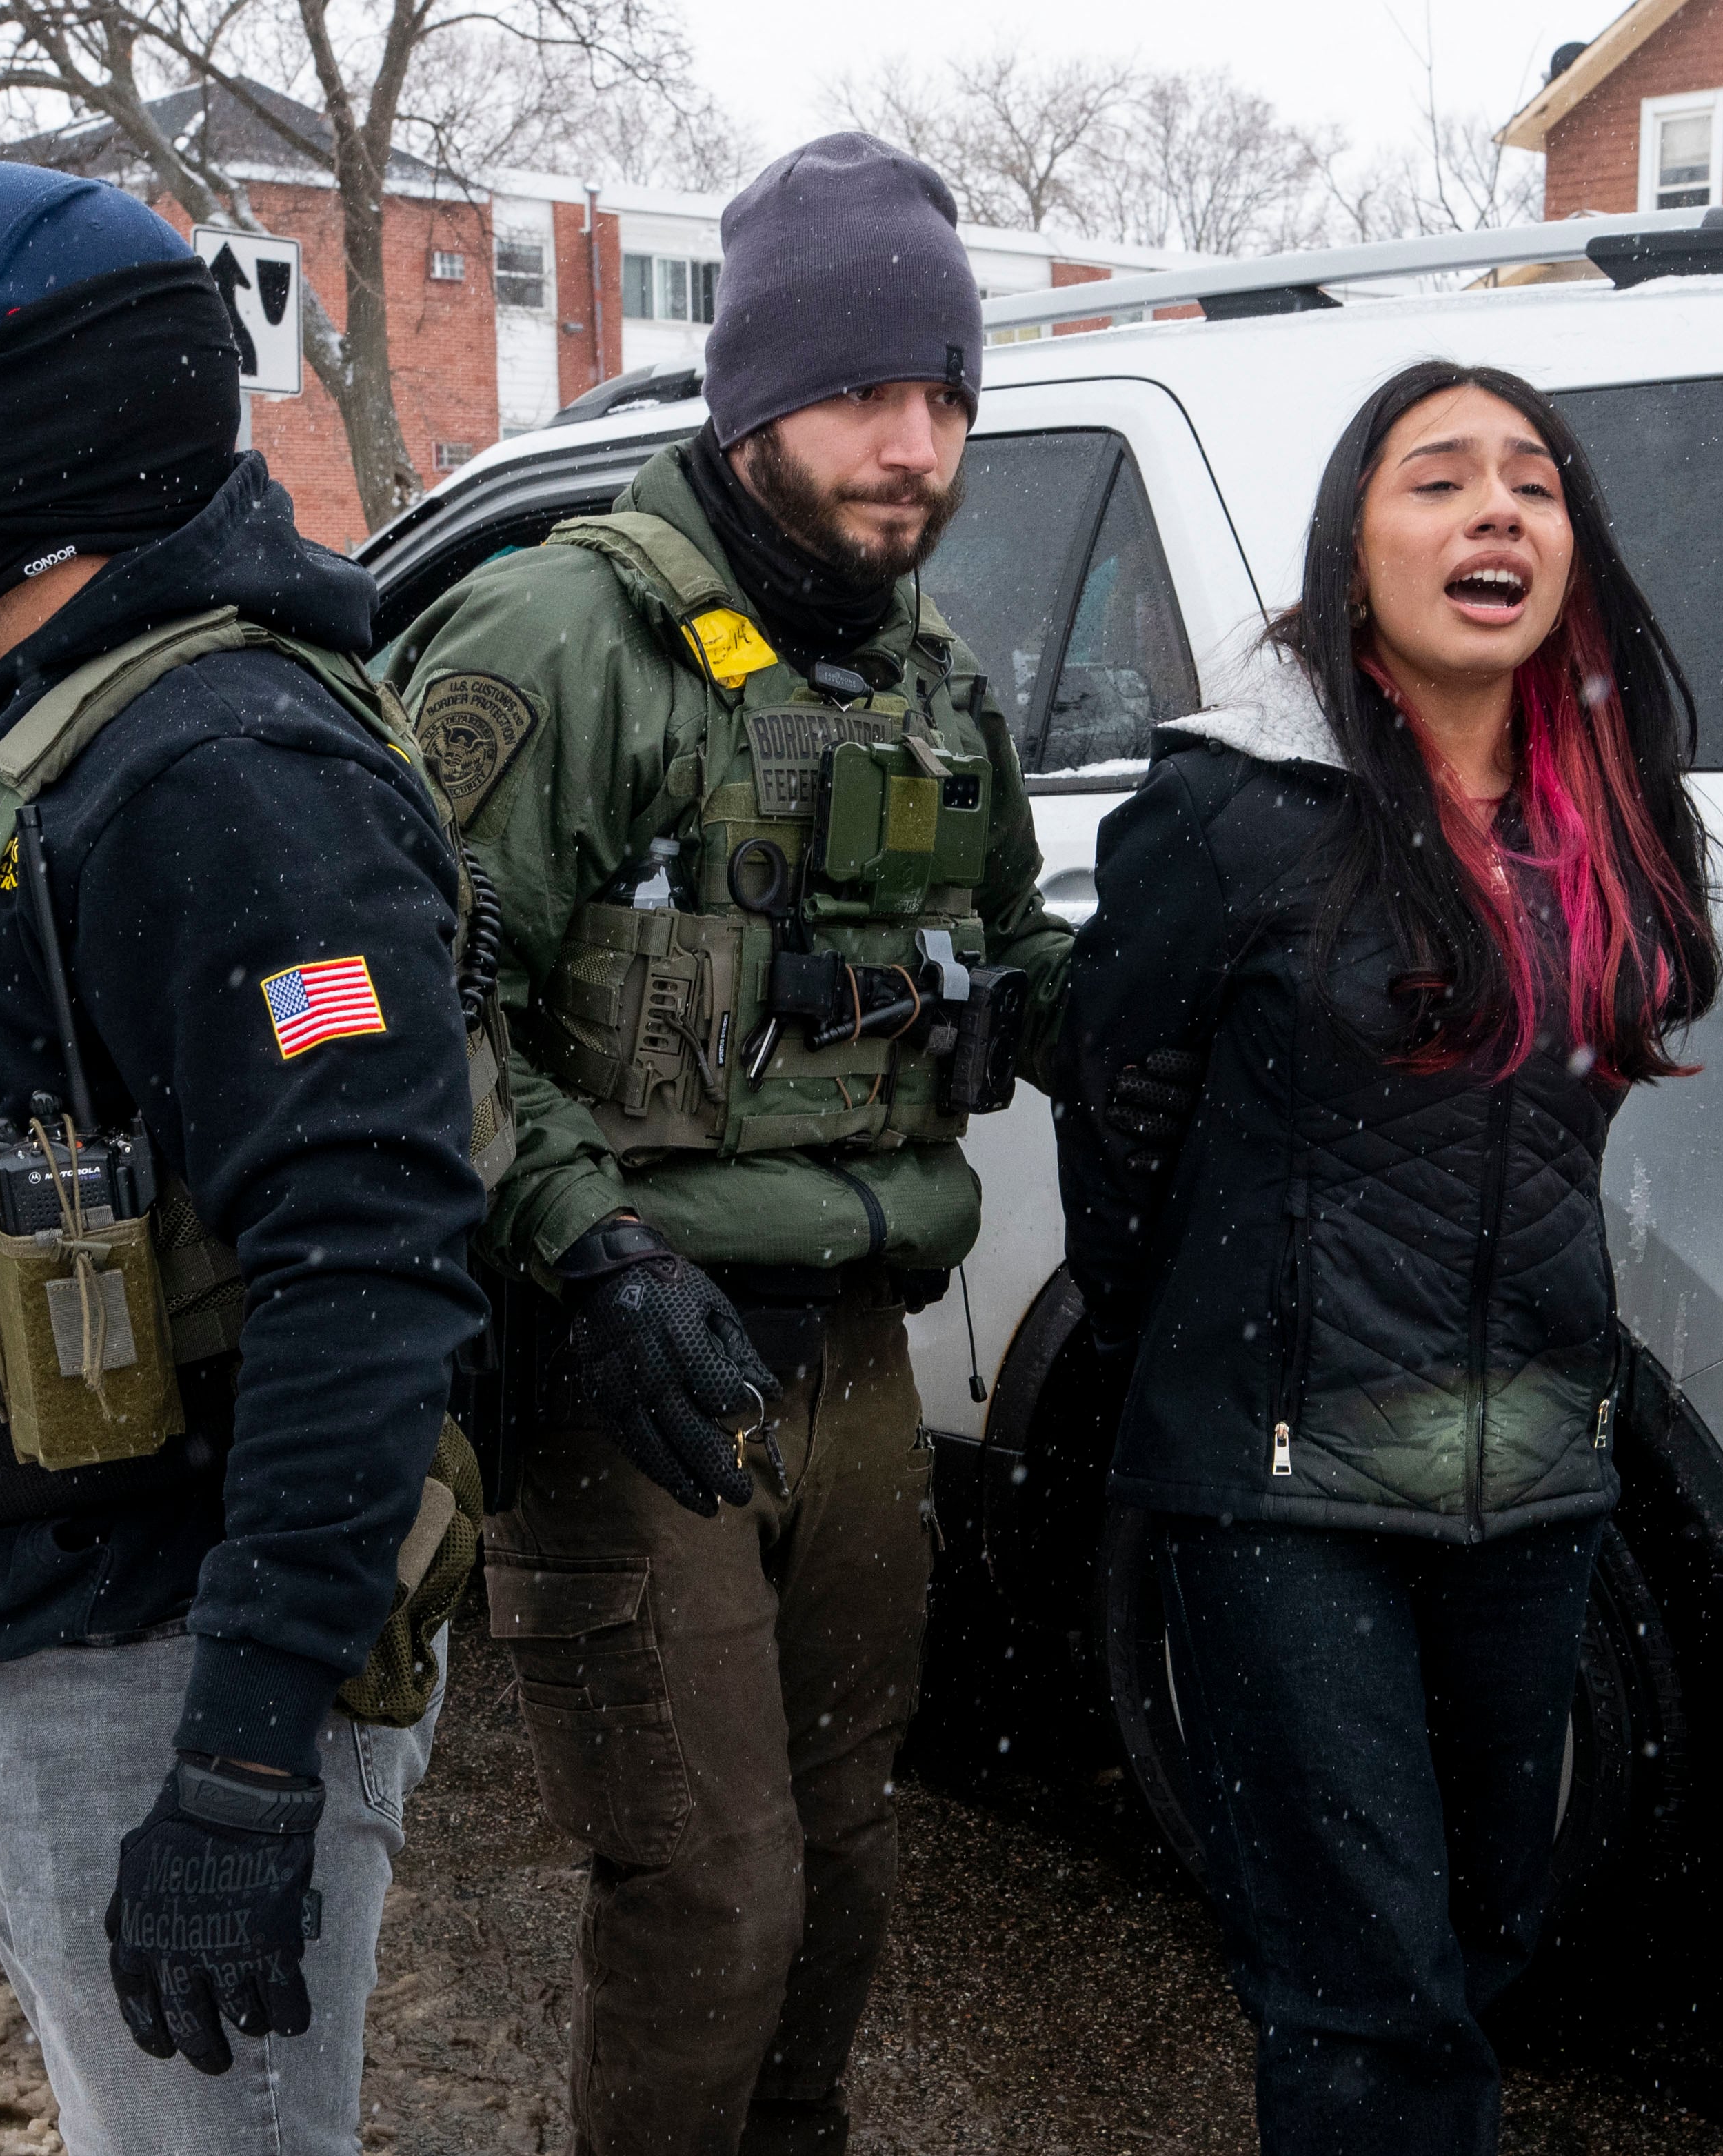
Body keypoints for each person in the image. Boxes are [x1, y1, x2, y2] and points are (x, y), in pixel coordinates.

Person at [0, 160, 492, 2153]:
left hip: (163, 1647)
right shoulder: (5, 732)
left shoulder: (229, 773)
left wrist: (242, 1749)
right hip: (8, 1611)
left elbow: (367, 1267)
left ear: (47, 408)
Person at [384, 132, 1080, 2156]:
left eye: (948, 395)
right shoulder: (551, 644)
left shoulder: (930, 680)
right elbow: (379, 1006)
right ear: (753, 395)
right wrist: (588, 1256)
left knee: (845, 1863)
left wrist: (1134, 1010)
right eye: (867, 390)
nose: (916, 443)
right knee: (709, 1894)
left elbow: (1010, 948)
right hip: (626, 1372)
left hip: (855, 1360)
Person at [1054, 359, 1723, 2156]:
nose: (1493, 508)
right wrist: (1194, 1357)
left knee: (1491, 1927)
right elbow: (1117, 1100)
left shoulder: (1613, 808)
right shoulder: (1229, 811)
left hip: (1536, 1459)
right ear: (1352, 542)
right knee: (1364, 1987)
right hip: (1284, 1486)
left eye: (1531, 480)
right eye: (1436, 478)